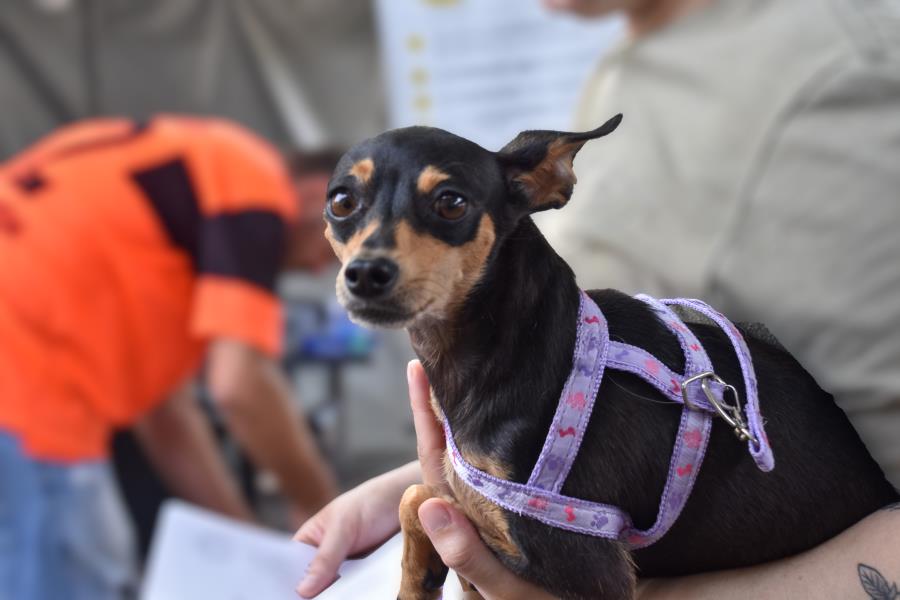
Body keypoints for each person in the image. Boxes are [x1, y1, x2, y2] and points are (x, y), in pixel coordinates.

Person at [296, 0, 900, 597]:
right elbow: (609, 408)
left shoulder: (843, 78)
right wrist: (451, 483)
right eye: (347, 206)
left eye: (448, 204)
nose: (372, 255)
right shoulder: (636, 56)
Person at [0, 115, 339, 600]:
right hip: (26, 392)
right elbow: (240, 384)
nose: (313, 267)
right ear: (314, 195)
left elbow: (169, 422)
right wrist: (321, 507)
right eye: (330, 248)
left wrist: (250, 548)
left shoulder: (167, 221)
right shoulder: (252, 178)